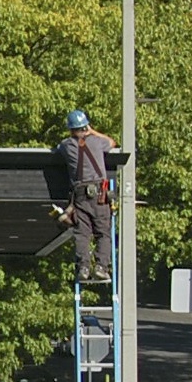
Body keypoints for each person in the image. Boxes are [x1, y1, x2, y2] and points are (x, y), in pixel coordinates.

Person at [55, 108, 117, 282]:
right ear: (85, 126)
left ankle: (83, 268)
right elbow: (112, 142)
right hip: (100, 195)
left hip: (80, 195)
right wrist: (92, 131)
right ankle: (101, 267)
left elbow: (58, 148)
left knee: (82, 233)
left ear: (70, 129)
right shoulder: (97, 142)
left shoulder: (66, 145)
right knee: (103, 233)